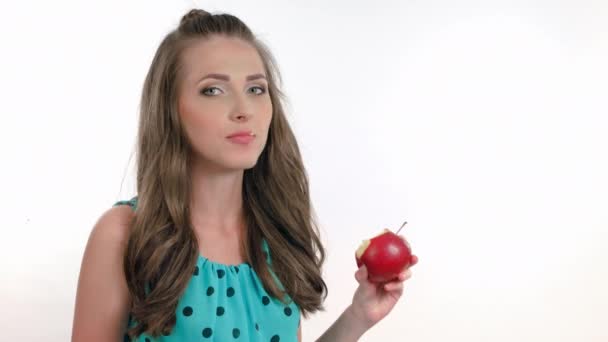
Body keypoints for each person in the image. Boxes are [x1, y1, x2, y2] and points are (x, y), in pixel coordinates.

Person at [71, 8, 418, 342]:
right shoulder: (123, 235)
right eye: (213, 90)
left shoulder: (276, 236)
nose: (243, 110)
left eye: (256, 89)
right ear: (170, 110)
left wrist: (358, 317)